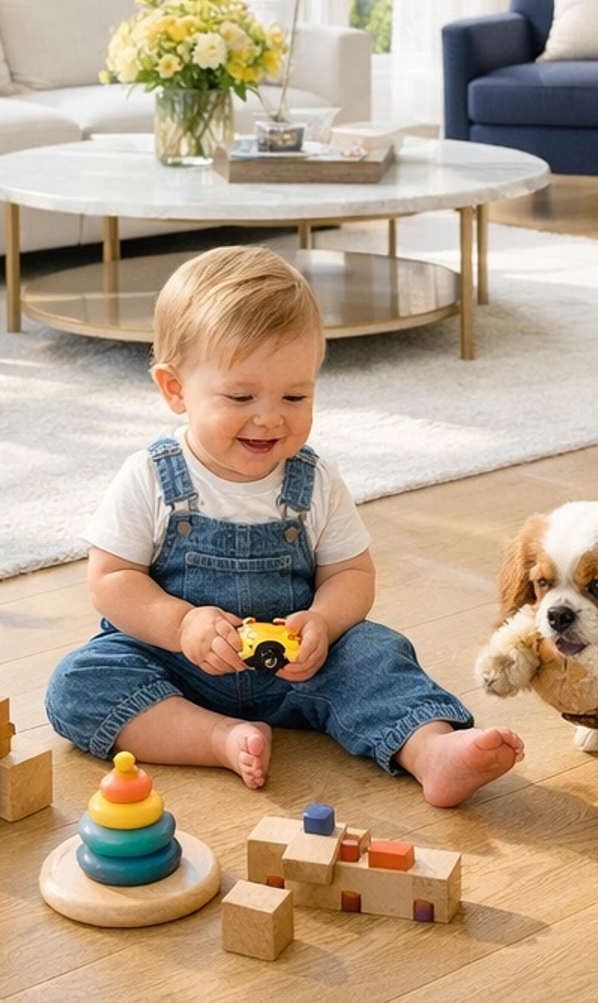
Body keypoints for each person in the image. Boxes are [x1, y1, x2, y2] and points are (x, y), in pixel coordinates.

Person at [45, 245, 524, 806]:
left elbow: (351, 573)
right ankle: (216, 738)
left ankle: (430, 751)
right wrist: (181, 627)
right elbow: (111, 578)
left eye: (295, 395)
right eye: (241, 395)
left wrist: (323, 621)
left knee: (375, 651)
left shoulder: (314, 479)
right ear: (175, 389)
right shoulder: (151, 476)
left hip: (299, 671)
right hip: (175, 667)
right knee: (79, 682)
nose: (270, 416)